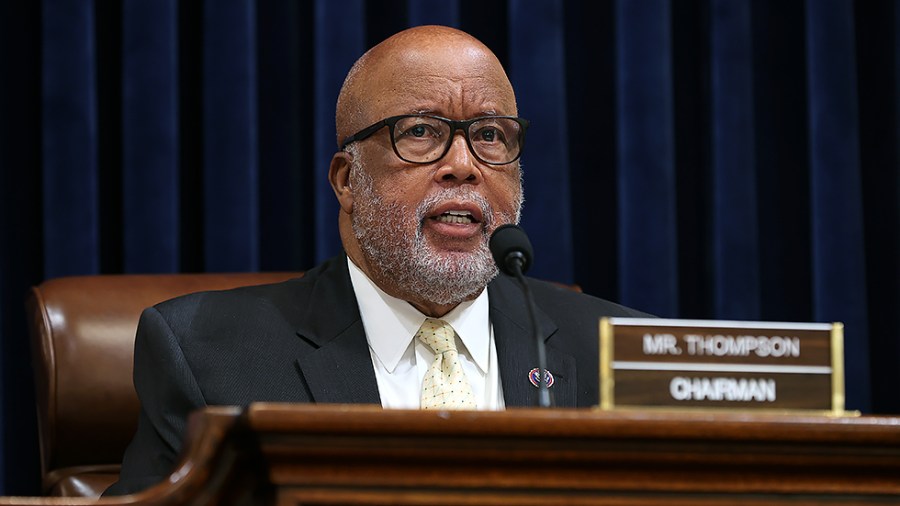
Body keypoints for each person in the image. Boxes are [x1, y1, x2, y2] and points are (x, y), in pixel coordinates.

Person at [104, 24, 649, 496]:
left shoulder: (621, 351)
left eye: (489, 136)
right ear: (347, 180)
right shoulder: (206, 353)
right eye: (420, 133)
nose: (463, 165)